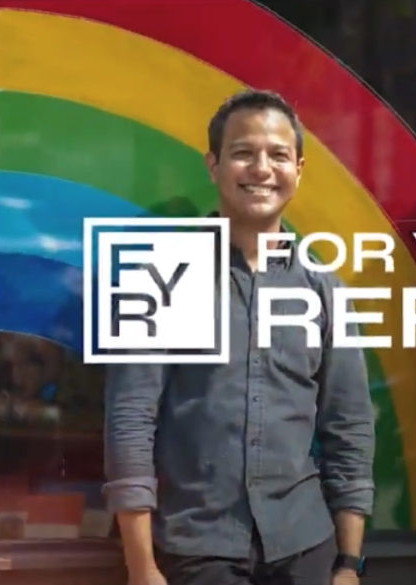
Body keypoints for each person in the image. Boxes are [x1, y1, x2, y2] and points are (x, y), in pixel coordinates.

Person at [102, 89, 375, 585]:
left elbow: (350, 428)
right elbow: (130, 423)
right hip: (197, 546)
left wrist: (348, 563)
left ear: (299, 169)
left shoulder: (324, 288)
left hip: (304, 544)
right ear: (213, 165)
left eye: (278, 155)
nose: (261, 169)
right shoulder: (161, 278)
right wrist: (141, 567)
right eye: (243, 153)